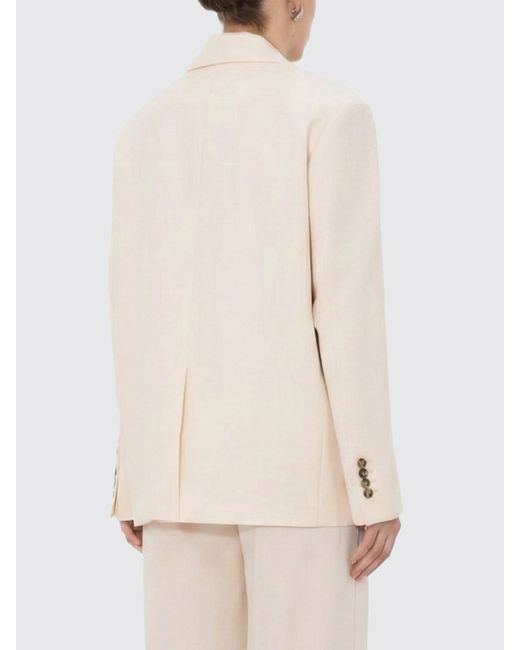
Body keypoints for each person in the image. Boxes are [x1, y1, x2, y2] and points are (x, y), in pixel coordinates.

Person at [109, 1, 402, 648]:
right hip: (301, 483)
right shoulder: (330, 114)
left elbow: (135, 307)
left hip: (174, 485)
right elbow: (347, 312)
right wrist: (371, 481)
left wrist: (135, 474)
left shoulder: (145, 128)